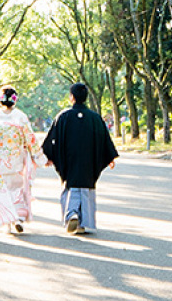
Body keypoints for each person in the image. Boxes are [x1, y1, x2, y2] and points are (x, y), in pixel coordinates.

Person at [42, 82, 117, 234]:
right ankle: (82, 223)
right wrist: (110, 157)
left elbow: (52, 138)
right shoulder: (95, 118)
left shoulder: (63, 116)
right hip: (89, 161)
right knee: (85, 188)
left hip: (69, 160)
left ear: (72, 97)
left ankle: (72, 214)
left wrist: (49, 156)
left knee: (72, 186)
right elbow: (105, 139)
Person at [0, 85, 46, 234]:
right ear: (15, 100)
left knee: (2, 190)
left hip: (0, 159)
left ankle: (8, 221)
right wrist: (39, 156)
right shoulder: (20, 116)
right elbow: (30, 137)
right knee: (18, 188)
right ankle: (19, 218)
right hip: (17, 158)